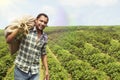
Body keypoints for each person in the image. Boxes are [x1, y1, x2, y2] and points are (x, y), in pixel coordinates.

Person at [6, 13, 49, 80]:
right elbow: (9, 40)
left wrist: (46, 70)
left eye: (45, 22)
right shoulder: (26, 30)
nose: (43, 23)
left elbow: (43, 54)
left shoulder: (45, 37)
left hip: (34, 72)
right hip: (21, 70)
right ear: (36, 20)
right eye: (41, 21)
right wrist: (19, 28)